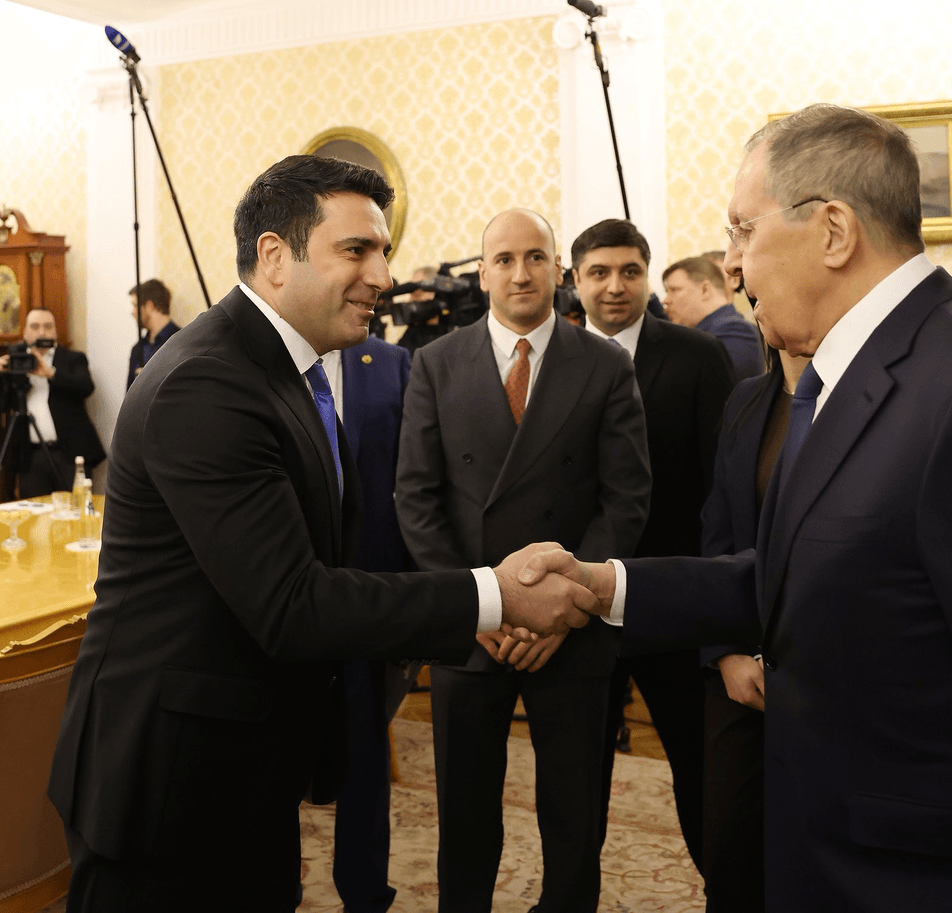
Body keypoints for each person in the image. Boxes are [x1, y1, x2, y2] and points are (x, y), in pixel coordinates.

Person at [521, 103, 952, 912]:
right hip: (832, 851)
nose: (733, 264)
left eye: (743, 230)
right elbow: (803, 571)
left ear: (832, 231)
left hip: (929, 881)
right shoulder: (844, 374)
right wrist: (606, 585)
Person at [46, 157, 596, 913]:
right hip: (169, 782)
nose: (384, 276)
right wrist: (491, 595)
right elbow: (293, 604)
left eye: (384, 252)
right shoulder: (207, 383)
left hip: (243, 766)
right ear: (275, 256)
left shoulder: (284, 369)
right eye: (357, 250)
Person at [394, 207, 650, 913]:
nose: (520, 273)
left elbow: (626, 498)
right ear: (482, 274)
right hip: (471, 627)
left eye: (535, 257)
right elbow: (416, 499)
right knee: (465, 811)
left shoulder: (605, 363)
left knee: (574, 811)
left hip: (570, 629)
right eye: (503, 259)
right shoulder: (434, 363)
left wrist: (563, 611)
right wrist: (476, 607)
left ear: (558, 270)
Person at [570, 218, 734, 875]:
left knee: (703, 771)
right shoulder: (552, 358)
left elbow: (722, 487)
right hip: (583, 608)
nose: (615, 286)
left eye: (630, 271)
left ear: (647, 276)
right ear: (575, 280)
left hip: (673, 605)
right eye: (599, 272)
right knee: (579, 779)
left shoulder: (698, 357)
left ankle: (725, 889)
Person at [697, 334, 808, 913]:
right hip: (740, 672)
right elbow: (718, 530)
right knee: (730, 853)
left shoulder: (865, 399)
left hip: (825, 677)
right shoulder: (745, 399)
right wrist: (726, 653)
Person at [327, 332, 414, 913]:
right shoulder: (257, 362)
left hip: (369, 593)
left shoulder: (392, 364)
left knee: (365, 753)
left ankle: (365, 895)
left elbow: (413, 479)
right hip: (280, 588)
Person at [0, 307, 105, 497]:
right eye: (35, 327)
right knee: (35, 512)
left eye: (48, 326)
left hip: (69, 455)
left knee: (75, 509)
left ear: (55, 331)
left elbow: (86, 387)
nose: (42, 332)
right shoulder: (16, 361)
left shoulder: (72, 358)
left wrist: (51, 373)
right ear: (25, 333)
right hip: (30, 457)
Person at [663, 255, 762, 380]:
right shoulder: (714, 330)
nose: (665, 300)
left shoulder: (735, 330)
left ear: (705, 290)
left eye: (674, 290)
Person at [127, 278, 180, 390]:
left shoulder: (182, 342)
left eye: (135, 306)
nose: (132, 312)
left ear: (150, 306)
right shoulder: (138, 349)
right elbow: (129, 395)